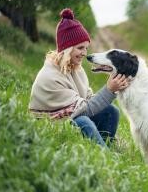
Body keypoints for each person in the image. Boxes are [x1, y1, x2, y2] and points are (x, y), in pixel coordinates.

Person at [29, 8, 129, 147]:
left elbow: (88, 99)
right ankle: (105, 158)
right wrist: (109, 90)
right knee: (83, 122)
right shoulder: (50, 77)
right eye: (80, 48)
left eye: (86, 48)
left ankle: (107, 146)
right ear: (67, 48)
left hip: (70, 118)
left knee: (111, 111)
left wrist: (111, 90)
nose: (84, 53)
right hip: (52, 125)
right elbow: (85, 110)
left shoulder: (76, 69)